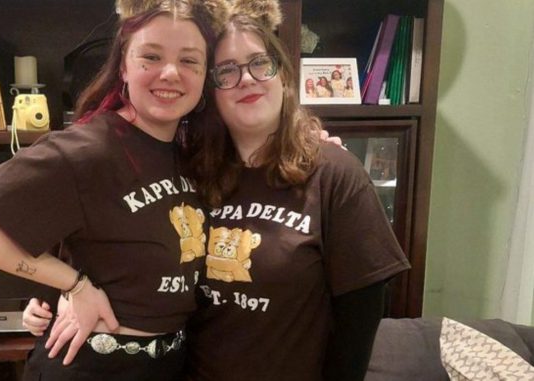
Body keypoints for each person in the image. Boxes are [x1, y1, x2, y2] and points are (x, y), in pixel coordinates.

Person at [25, 1, 408, 379]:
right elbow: (108, 238)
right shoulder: (185, 171)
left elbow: (361, 310)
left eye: (259, 63)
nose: (246, 79)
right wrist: (61, 292)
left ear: (284, 76)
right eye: (226, 71)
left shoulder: (334, 173)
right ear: (209, 92)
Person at [0, 1, 229, 380]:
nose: (171, 73)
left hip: (168, 363)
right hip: (92, 367)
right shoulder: (86, 148)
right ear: (124, 65)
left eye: (190, 61)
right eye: (151, 56)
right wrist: (73, 285)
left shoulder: (189, 151)